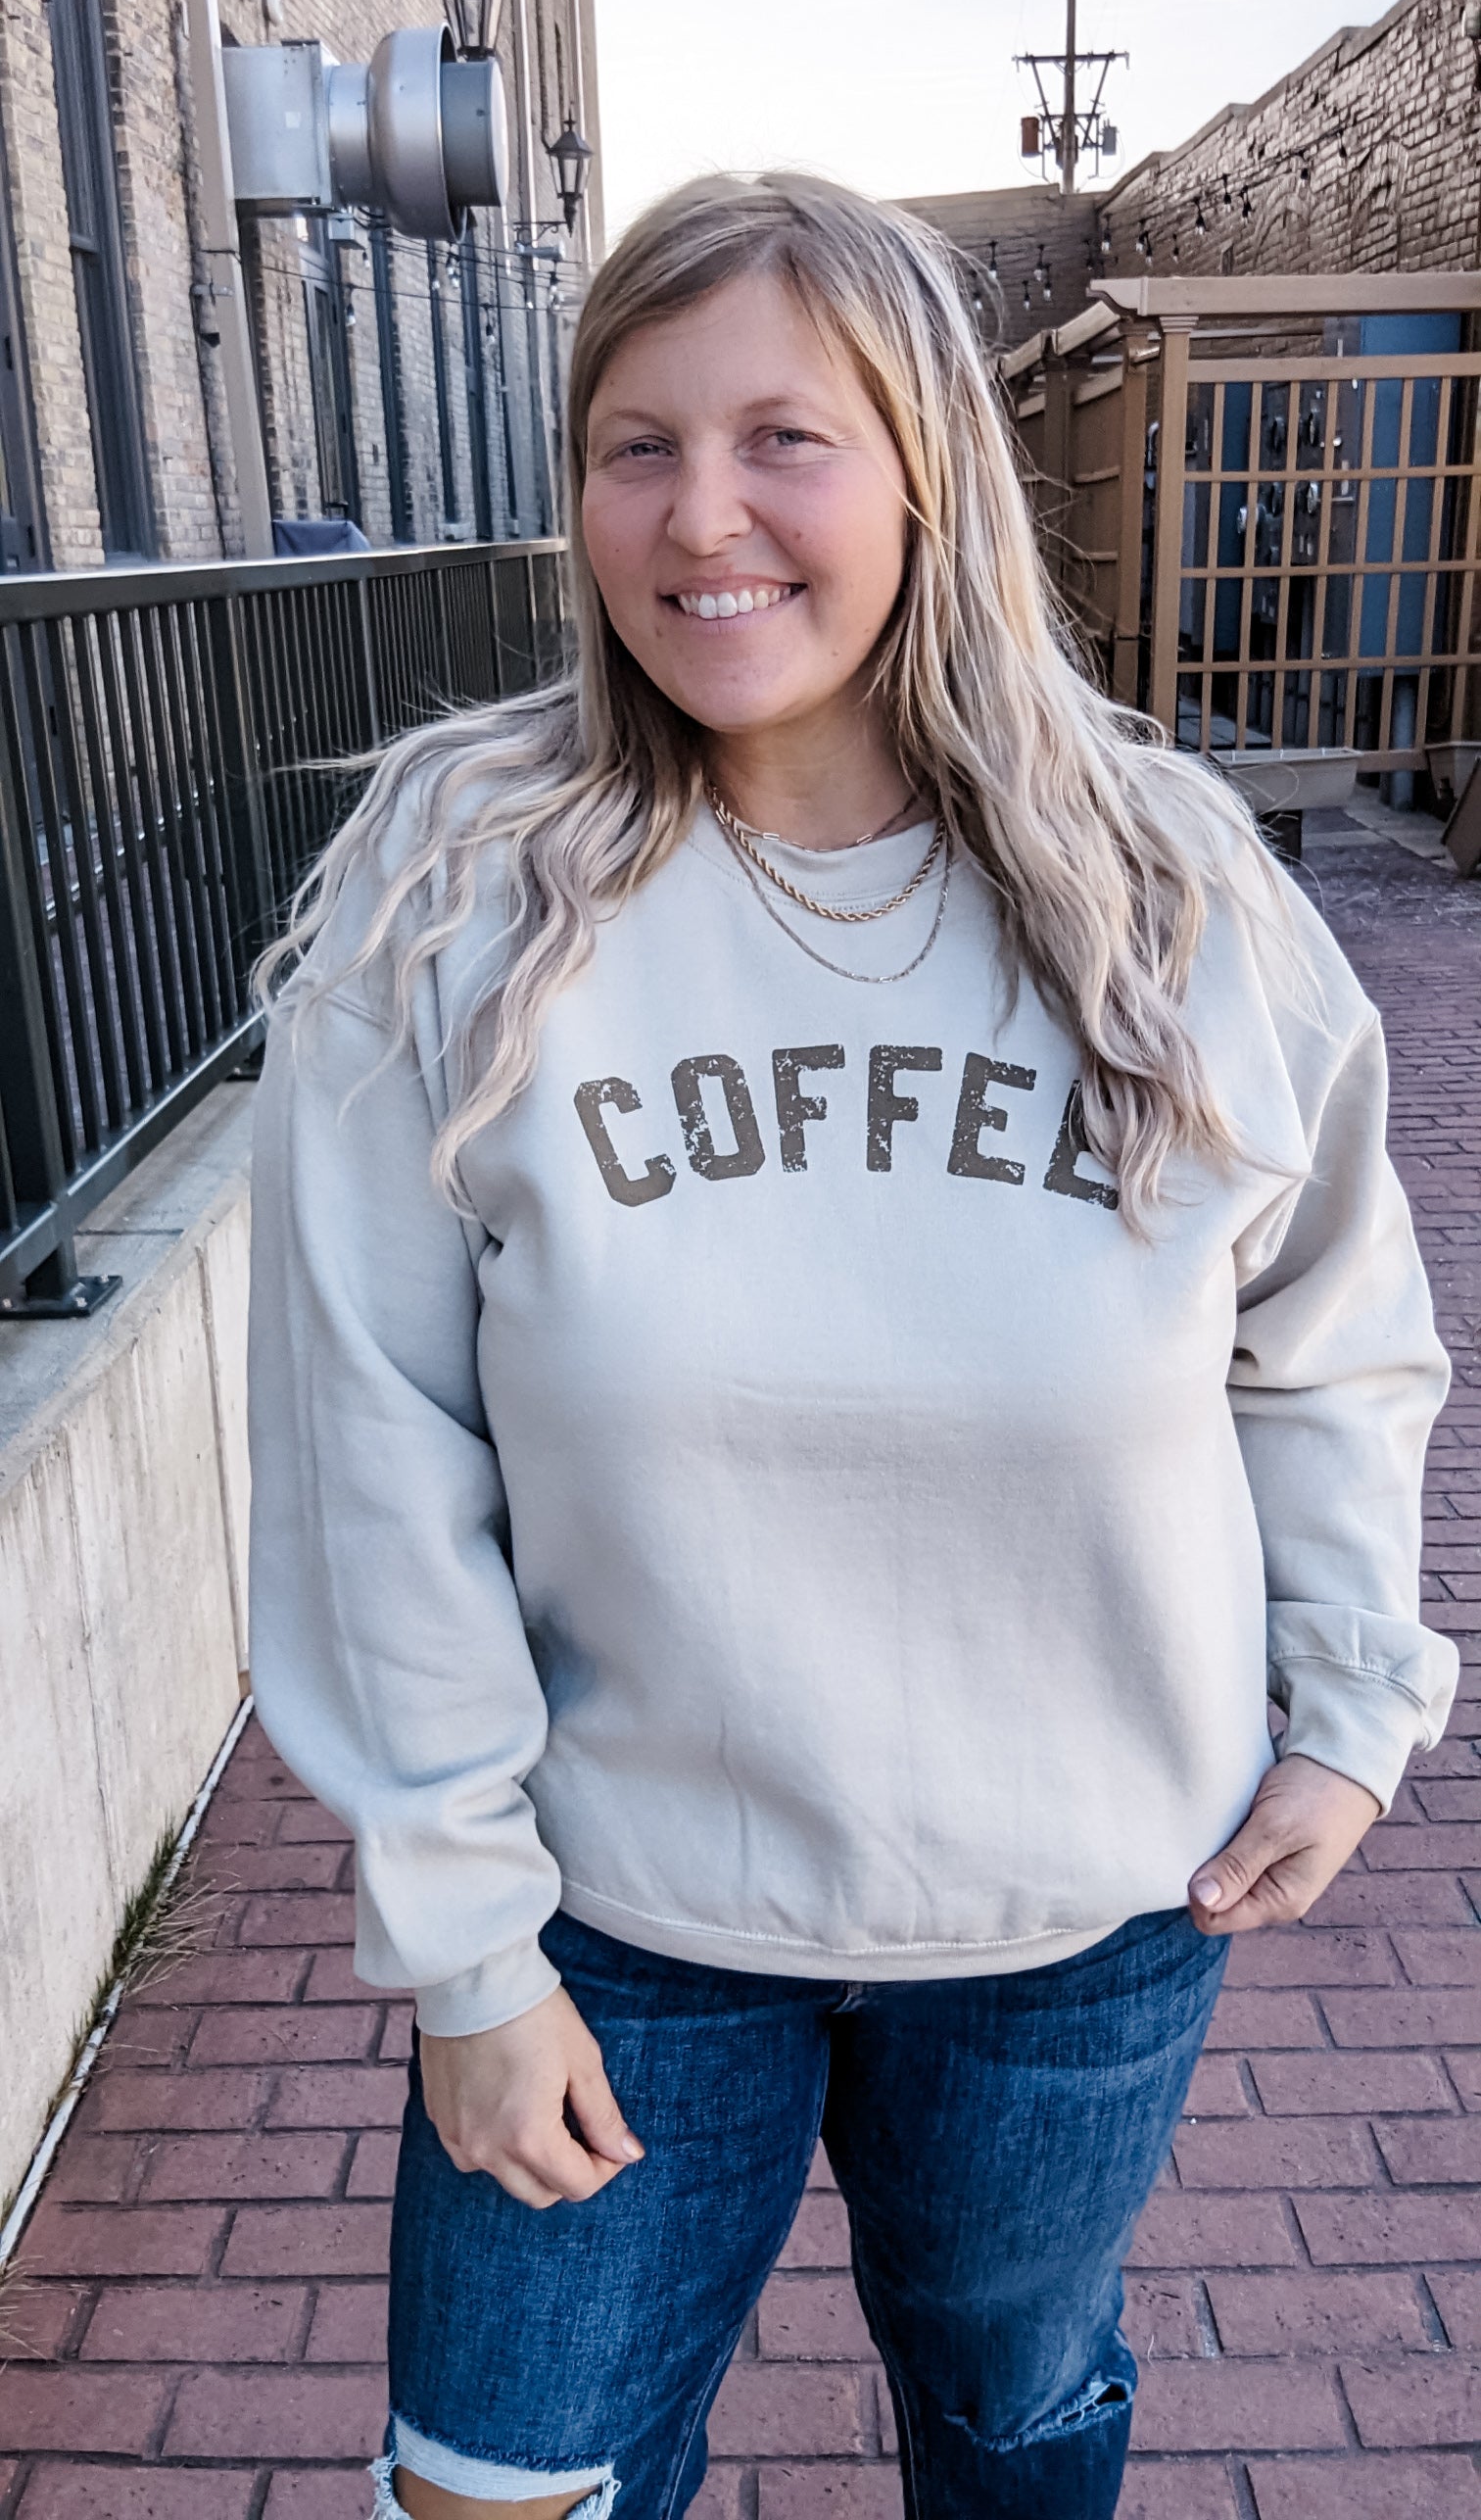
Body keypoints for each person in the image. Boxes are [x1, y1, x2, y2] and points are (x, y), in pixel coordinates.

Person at [246, 173, 1456, 2520]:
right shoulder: (451, 897)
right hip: (614, 1917)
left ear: (926, 469)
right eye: (637, 445)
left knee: (1012, 2420)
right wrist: (465, 1950)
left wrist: (1353, 1705)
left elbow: (1329, 1342)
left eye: (782, 438)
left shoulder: (1173, 889)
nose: (700, 516)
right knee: (494, 2483)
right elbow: (369, 1450)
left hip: (1081, 1914)